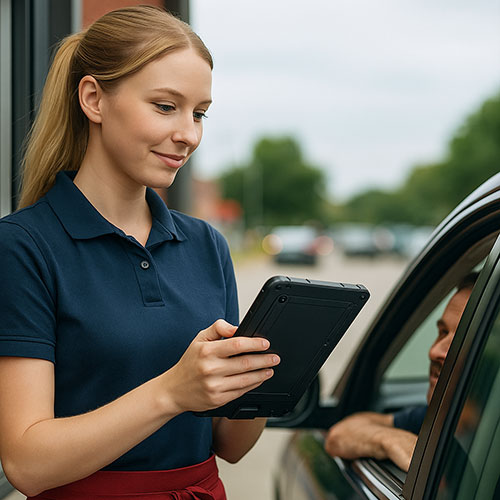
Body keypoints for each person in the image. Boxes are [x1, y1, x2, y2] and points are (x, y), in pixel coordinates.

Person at [0, 6, 280, 499]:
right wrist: (172, 392)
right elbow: (26, 462)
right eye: (166, 106)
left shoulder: (206, 245)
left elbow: (230, 443)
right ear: (93, 99)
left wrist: (268, 375)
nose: (189, 134)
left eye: (199, 113)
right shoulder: (23, 247)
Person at [324, 272, 478, 472]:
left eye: (464, 340)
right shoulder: (440, 418)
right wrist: (392, 441)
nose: (434, 351)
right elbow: (339, 435)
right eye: (442, 332)